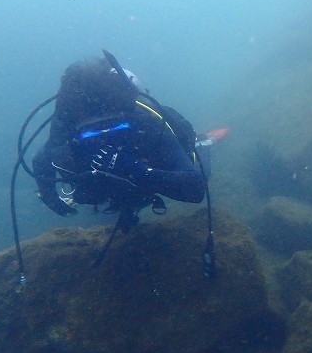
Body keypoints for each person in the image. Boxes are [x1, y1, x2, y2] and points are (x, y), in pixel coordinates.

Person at [32, 53, 207, 229]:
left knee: (197, 159)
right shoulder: (66, 136)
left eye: (113, 128)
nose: (103, 140)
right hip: (119, 191)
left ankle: (204, 144)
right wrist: (50, 197)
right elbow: (41, 160)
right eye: (90, 134)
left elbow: (195, 188)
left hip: (153, 174)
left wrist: (132, 168)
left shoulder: (146, 126)